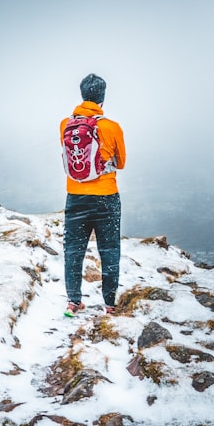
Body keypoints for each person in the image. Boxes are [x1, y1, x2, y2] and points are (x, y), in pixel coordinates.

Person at [60, 74, 126, 317]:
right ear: (102, 97)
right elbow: (122, 163)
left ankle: (73, 302)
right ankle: (110, 305)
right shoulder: (112, 127)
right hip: (106, 197)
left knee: (73, 250)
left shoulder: (65, 125)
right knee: (109, 250)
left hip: (75, 196)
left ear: (82, 94)